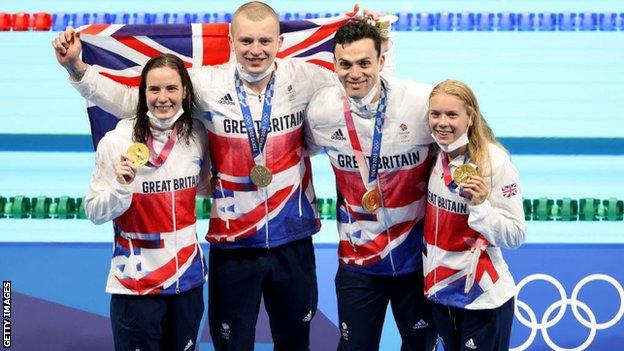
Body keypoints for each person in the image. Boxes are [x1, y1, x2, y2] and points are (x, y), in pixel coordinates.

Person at [52, 2, 389, 349]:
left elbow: (362, 82)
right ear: (230, 40)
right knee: (231, 344)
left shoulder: (307, 79)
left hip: (294, 239)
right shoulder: (205, 85)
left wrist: (374, 36)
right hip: (234, 244)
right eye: (246, 41)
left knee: (294, 342)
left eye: (264, 41)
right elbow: (135, 102)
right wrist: (78, 68)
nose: (255, 51)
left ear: (280, 42)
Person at [305, 20, 437, 351]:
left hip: (417, 260)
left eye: (364, 63)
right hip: (358, 261)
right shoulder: (321, 111)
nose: (355, 73)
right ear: (334, 63)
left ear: (381, 61)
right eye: (345, 64)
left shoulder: (419, 103)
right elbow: (293, 156)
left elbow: (466, 138)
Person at [85, 53, 210, 350]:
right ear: (143, 94)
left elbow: (204, 187)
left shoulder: (197, 136)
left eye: (171, 89)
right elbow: (94, 212)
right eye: (154, 90)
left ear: (185, 92)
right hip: (136, 285)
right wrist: (120, 187)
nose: (162, 98)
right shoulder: (116, 142)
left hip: (187, 281)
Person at [423, 79, 526, 351]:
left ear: (470, 117)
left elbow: (515, 236)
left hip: (483, 300)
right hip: (442, 295)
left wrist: (481, 206)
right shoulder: (434, 154)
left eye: (452, 114)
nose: (442, 122)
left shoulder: (495, 163)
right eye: (436, 114)